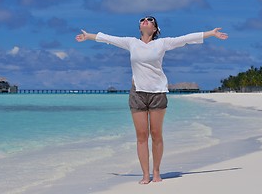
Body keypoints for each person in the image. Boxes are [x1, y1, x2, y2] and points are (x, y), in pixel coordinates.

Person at [75, 16, 228, 184]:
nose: (145, 20)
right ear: (140, 27)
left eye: (150, 19)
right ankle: (145, 174)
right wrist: (89, 36)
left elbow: (185, 39)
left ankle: (156, 172)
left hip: (157, 92)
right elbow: (109, 39)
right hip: (137, 93)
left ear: (155, 29)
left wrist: (211, 34)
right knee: (141, 136)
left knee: (156, 134)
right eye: (143, 19)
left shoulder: (161, 43)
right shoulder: (131, 42)